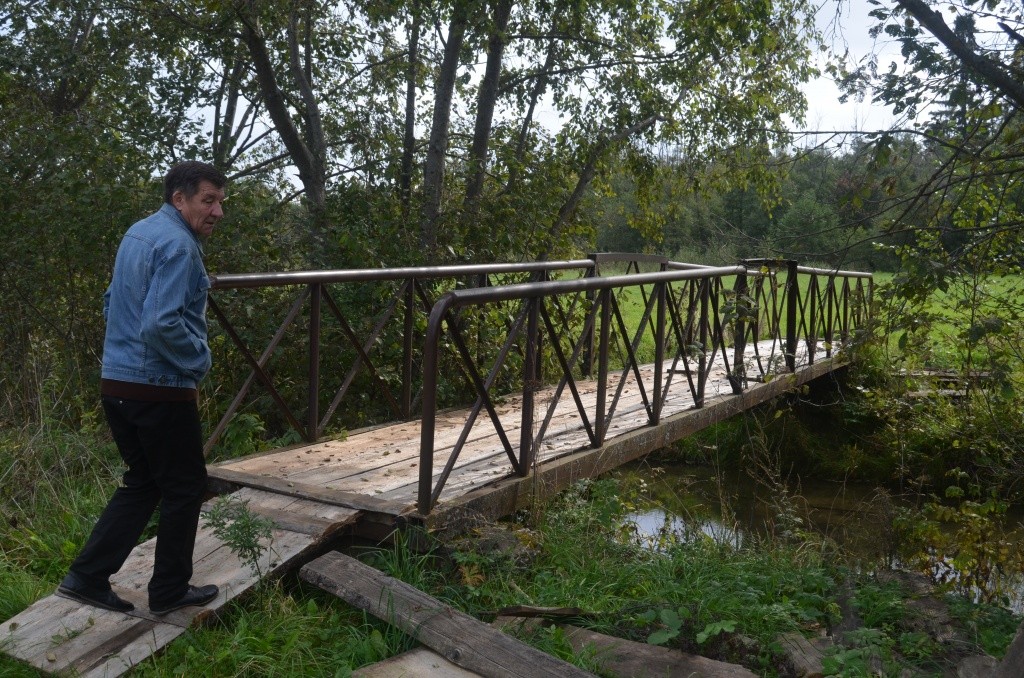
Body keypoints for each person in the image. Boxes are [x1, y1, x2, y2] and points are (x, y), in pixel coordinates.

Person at [57, 161, 227, 616]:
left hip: (118, 382)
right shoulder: (178, 246)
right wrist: (199, 359)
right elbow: (161, 322)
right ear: (180, 198)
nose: (217, 211)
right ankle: (169, 592)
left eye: (220, 201)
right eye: (208, 200)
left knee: (145, 481)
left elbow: (114, 301)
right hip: (158, 389)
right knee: (185, 486)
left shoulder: (140, 233)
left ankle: (86, 577)